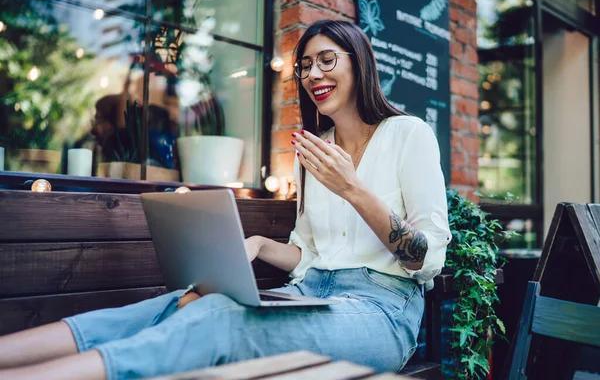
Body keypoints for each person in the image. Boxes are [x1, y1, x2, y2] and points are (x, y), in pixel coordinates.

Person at [0, 19, 451, 380]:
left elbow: (426, 259)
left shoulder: (408, 134)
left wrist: (352, 188)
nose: (313, 75)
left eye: (327, 60)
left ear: (360, 63)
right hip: (308, 294)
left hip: (381, 311)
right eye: (305, 65)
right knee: (178, 301)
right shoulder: (315, 148)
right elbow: (309, 255)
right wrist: (254, 243)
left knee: (220, 318)